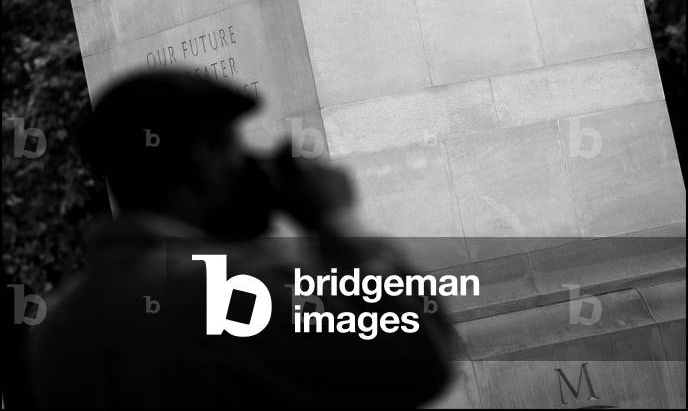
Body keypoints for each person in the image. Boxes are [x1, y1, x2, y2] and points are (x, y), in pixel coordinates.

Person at [28, 68, 460, 409]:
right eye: (237, 151)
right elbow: (418, 358)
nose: (253, 170)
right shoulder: (236, 290)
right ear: (204, 160)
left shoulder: (59, 323)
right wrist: (336, 222)